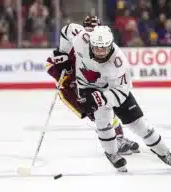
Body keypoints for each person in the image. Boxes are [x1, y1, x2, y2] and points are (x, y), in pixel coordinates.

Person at [69, 25, 171, 172]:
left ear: (111, 45)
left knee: (140, 125)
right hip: (88, 87)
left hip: (115, 91)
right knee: (103, 123)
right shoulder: (81, 39)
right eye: (96, 48)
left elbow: (121, 93)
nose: (99, 52)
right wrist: (62, 55)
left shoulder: (119, 63)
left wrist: (100, 99)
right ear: (90, 44)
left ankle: (165, 153)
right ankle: (111, 153)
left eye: (103, 48)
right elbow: (67, 30)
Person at [46, 16, 139, 155]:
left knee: (107, 108)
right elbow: (50, 64)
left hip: (90, 84)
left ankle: (119, 138)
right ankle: (115, 141)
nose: (90, 33)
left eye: (94, 29)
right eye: (88, 29)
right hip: (71, 89)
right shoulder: (79, 38)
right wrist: (62, 59)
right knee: (96, 113)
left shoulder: (101, 45)